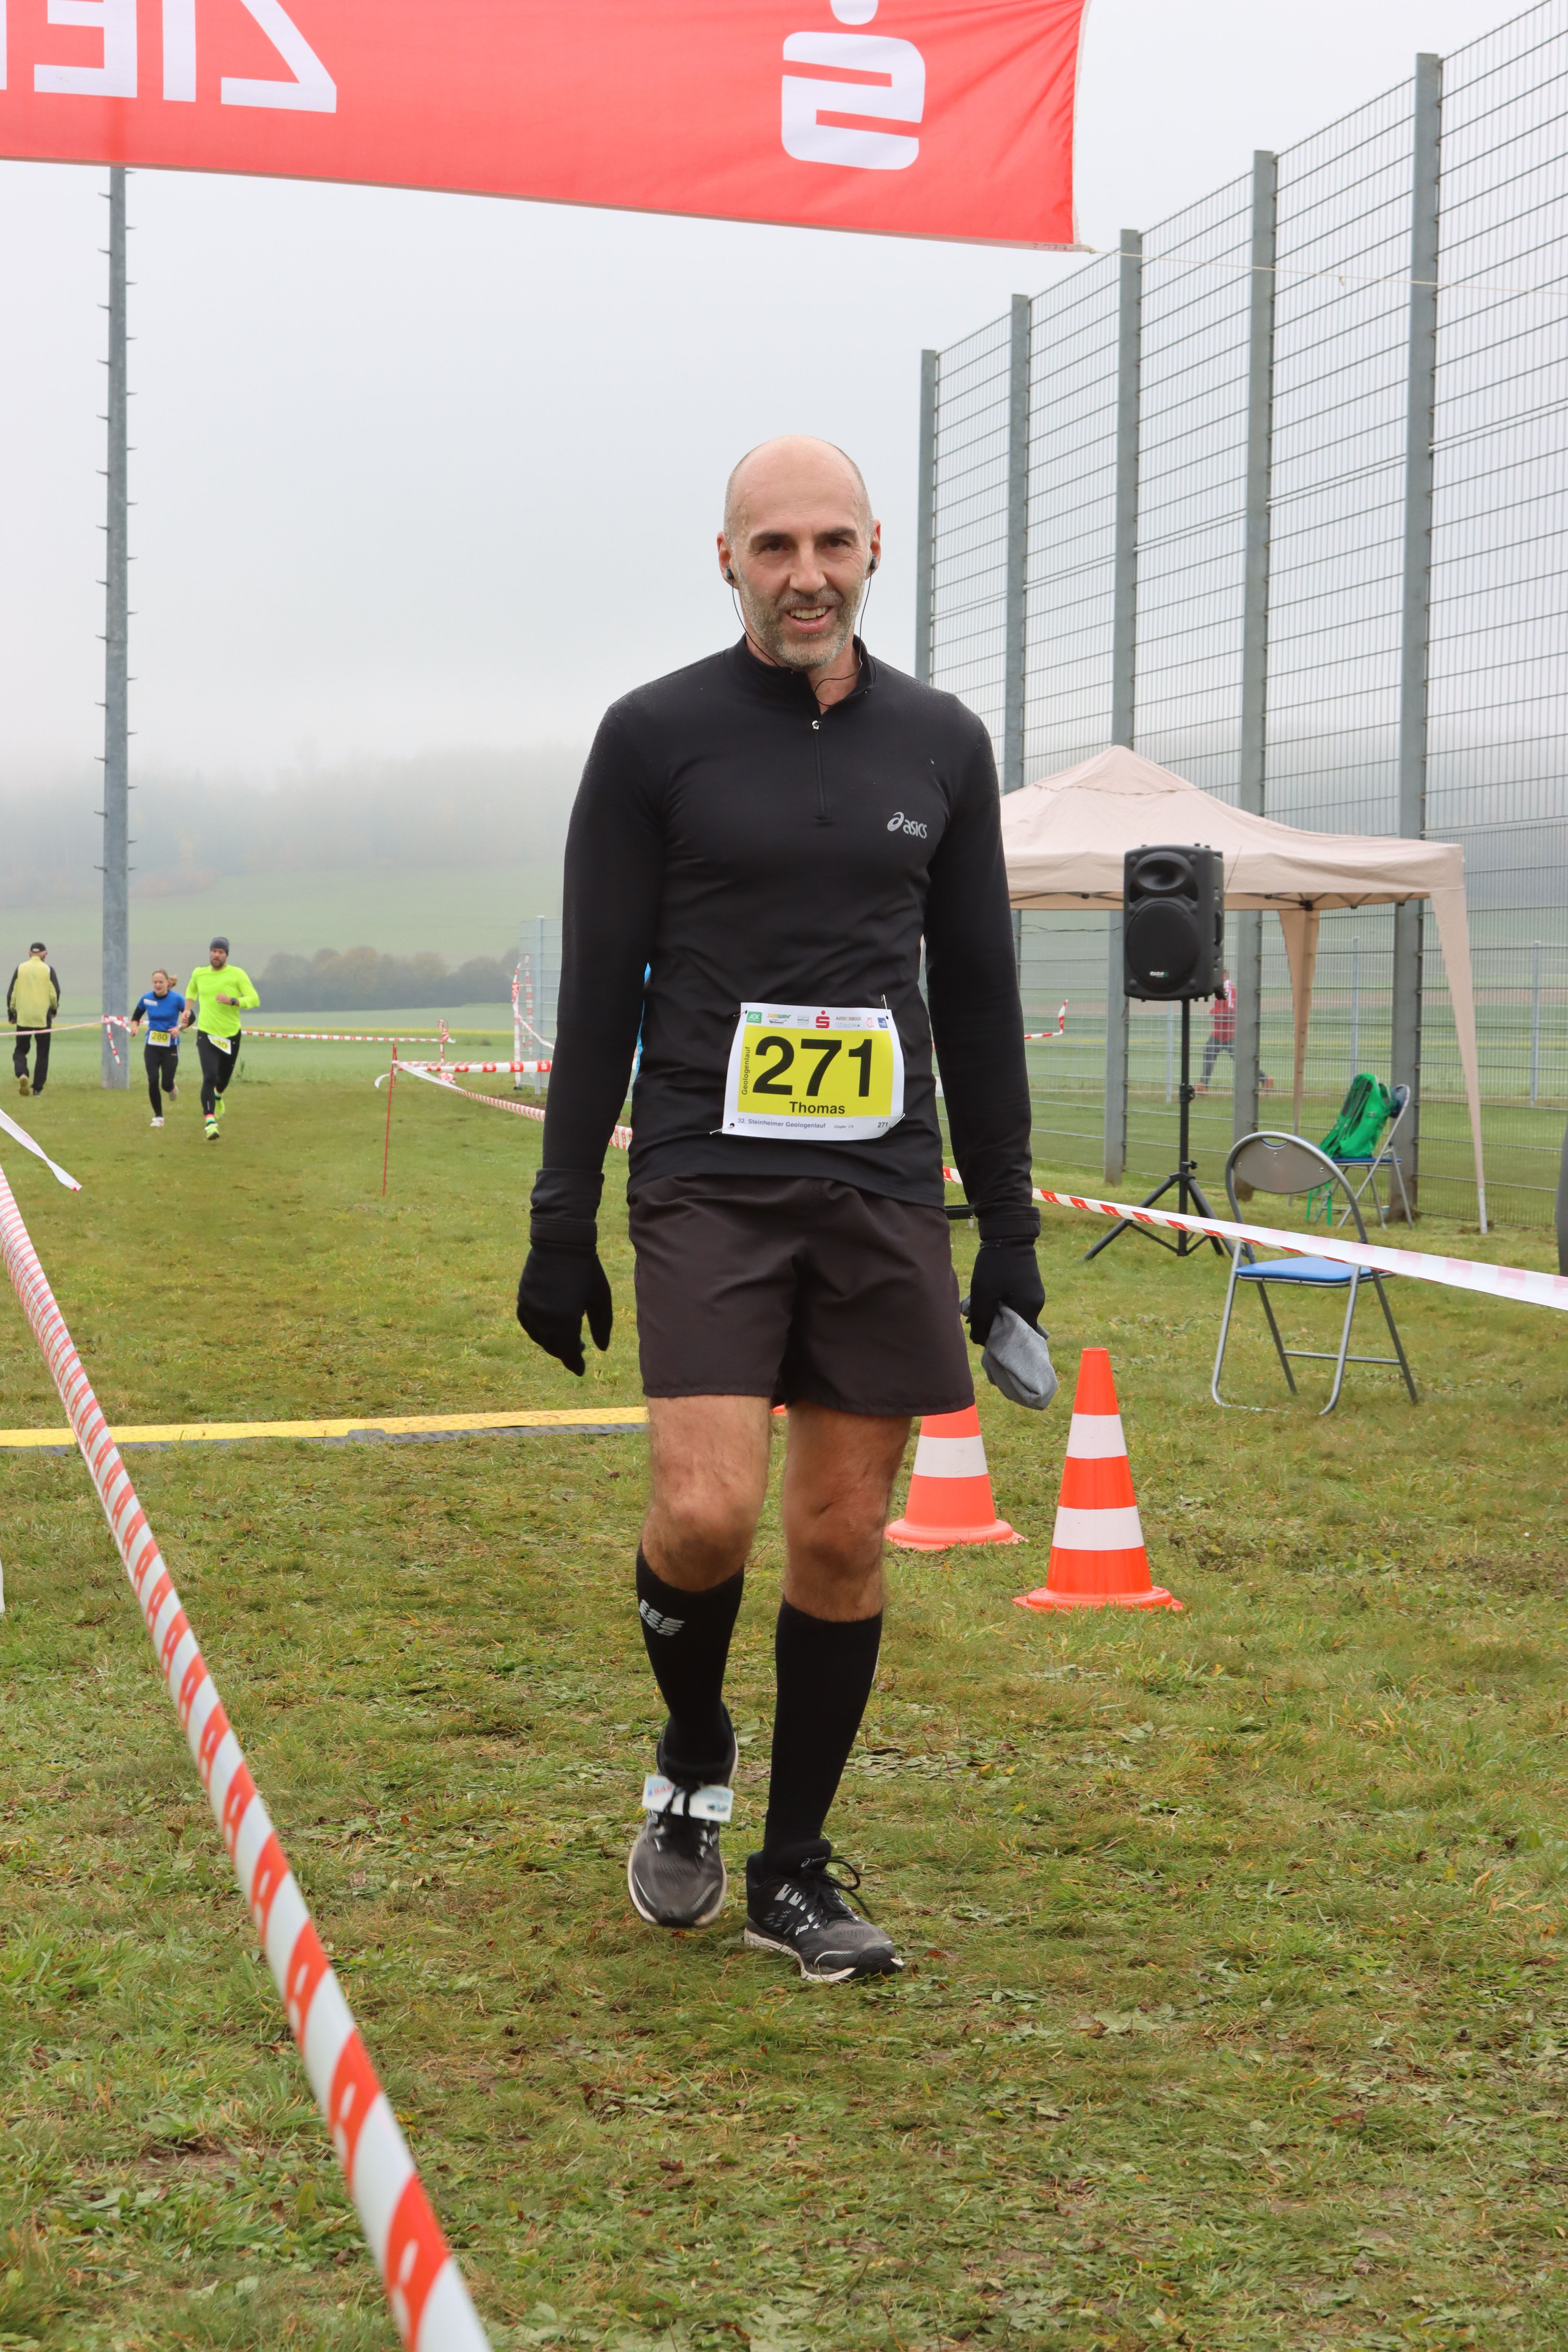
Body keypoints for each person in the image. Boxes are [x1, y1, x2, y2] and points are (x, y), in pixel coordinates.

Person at [515, 437, 1043, 1983]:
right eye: (774, 548)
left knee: (839, 1533)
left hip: (879, 1182)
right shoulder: (653, 736)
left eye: (831, 545)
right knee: (703, 1513)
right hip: (705, 1171)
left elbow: (980, 996)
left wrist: (1007, 1232)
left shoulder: (941, 743)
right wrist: (559, 1217)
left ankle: (792, 1869)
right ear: (727, 559)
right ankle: (693, 1746)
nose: (805, 576)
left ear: (873, 548)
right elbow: (599, 985)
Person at [180, 938, 259, 1140]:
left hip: (230, 1035)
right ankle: (210, 1123)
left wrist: (233, 1001)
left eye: (221, 952)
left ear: (226, 955)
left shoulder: (237, 974)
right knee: (209, 1077)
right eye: (214, 951)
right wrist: (187, 1009)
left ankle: (218, 1095)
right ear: (210, 953)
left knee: (223, 1080)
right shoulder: (199, 973)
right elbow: (192, 989)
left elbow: (254, 999)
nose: (217, 955)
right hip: (207, 1034)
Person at [129, 969, 185, 1126]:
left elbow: (190, 1017)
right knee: (153, 1080)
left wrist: (179, 1028)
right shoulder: (147, 999)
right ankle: (159, 1117)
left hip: (171, 1046)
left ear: (168, 983)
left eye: (161, 982)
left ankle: (172, 1087)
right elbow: (136, 1017)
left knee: (166, 1084)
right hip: (152, 1046)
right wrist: (135, 1028)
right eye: (155, 982)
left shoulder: (177, 999)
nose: (158, 985)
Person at [1198, 971, 1270, 1095]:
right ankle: (1203, 1085)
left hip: (1228, 1033)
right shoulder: (1221, 989)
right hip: (1220, 1032)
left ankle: (1264, 1079)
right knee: (1210, 1054)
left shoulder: (1228, 989)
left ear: (1223, 975)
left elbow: (1231, 1010)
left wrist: (1214, 1012)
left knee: (1239, 1060)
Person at [7, 942, 60, 1098]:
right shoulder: (48, 970)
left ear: (30, 954)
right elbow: (54, 993)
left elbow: (13, 993)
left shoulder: (21, 968)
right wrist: (54, 1009)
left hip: (24, 1017)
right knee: (42, 1053)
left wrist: (11, 1013)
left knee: (20, 1050)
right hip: (43, 1018)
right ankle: (37, 1089)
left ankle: (22, 1074)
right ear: (45, 955)